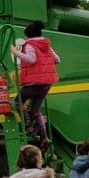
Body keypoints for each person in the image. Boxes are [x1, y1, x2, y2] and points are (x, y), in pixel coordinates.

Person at [11, 21, 61, 149]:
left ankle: (28, 127)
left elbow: (31, 59)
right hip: (46, 83)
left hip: (34, 83)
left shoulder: (30, 45)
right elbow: (57, 60)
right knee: (35, 110)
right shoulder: (46, 45)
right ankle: (44, 138)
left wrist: (15, 52)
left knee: (17, 102)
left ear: (29, 35)